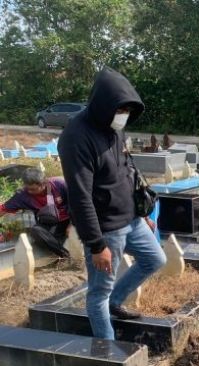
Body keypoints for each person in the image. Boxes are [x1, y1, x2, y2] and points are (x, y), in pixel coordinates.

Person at [57, 67, 166, 340]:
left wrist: (141, 213)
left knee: (155, 259)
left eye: (128, 111)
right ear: (104, 105)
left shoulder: (114, 128)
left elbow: (125, 171)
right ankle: (108, 351)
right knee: (98, 293)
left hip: (130, 219)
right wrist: (96, 245)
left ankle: (117, 302)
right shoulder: (76, 138)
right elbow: (80, 196)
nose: (124, 116)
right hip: (106, 229)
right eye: (121, 110)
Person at [0, 168, 71, 257]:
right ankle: (65, 255)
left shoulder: (59, 184)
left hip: (70, 219)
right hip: (50, 224)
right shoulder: (22, 195)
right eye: (27, 188)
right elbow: (3, 209)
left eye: (33, 189)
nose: (29, 191)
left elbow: (78, 204)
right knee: (36, 231)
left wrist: (72, 225)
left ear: (43, 184)